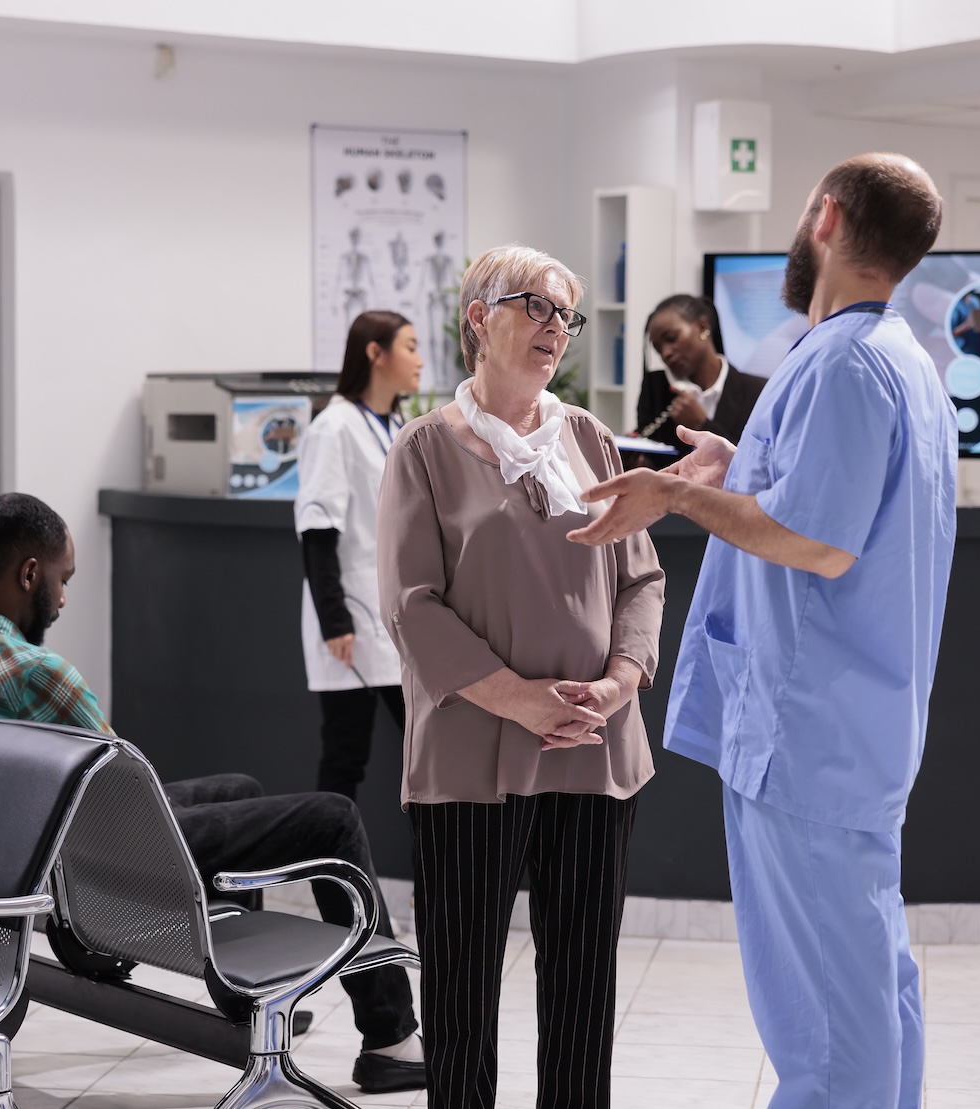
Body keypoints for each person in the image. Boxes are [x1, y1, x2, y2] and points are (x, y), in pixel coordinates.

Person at [568, 154, 955, 1109]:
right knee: (870, 982)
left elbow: (817, 541)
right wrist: (738, 465)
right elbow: (832, 503)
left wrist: (670, 495)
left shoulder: (846, 363)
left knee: (824, 1025)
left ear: (827, 217)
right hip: (850, 731)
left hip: (807, 732)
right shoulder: (897, 358)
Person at [0, 492, 426, 1094]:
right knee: (332, 816)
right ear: (30, 574)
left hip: (38, 858)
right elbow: (130, 799)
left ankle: (246, 996)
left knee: (239, 789)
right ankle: (391, 1038)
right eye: (62, 580)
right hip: (97, 879)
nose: (62, 599)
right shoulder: (35, 672)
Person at [376, 244, 665, 1108]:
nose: (555, 329)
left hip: (593, 746)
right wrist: (520, 700)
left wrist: (618, 682)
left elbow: (641, 578)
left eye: (565, 315)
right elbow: (411, 605)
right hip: (473, 753)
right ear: (479, 317)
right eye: (536, 307)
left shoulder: (590, 438)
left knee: (583, 988)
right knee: (462, 991)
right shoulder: (424, 448)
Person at [295, 309, 424, 801]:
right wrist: (334, 620)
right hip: (352, 618)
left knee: (426, 748)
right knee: (346, 754)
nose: (420, 360)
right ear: (375, 353)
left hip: (398, 615)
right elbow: (317, 528)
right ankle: (327, 856)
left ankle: (434, 859)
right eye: (409, 347)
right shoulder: (334, 427)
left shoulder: (397, 425)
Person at [633, 294, 767, 454]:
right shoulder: (655, 388)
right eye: (658, 348)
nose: (665, 353)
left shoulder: (757, 391)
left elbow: (759, 461)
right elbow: (655, 460)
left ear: (703, 327)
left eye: (671, 338)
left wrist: (702, 425)